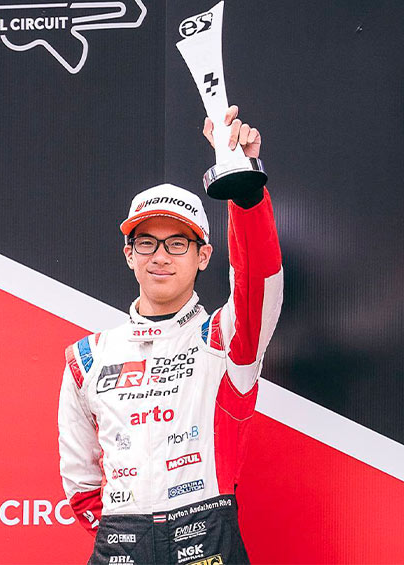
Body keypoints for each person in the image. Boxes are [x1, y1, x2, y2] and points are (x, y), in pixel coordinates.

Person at [58, 106, 283, 565]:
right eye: (147, 243)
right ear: (129, 255)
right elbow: (80, 483)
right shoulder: (87, 357)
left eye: (178, 243)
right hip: (121, 539)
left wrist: (243, 190)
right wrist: (127, 534)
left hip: (208, 534)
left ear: (203, 256)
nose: (160, 257)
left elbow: (259, 280)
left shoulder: (225, 339)